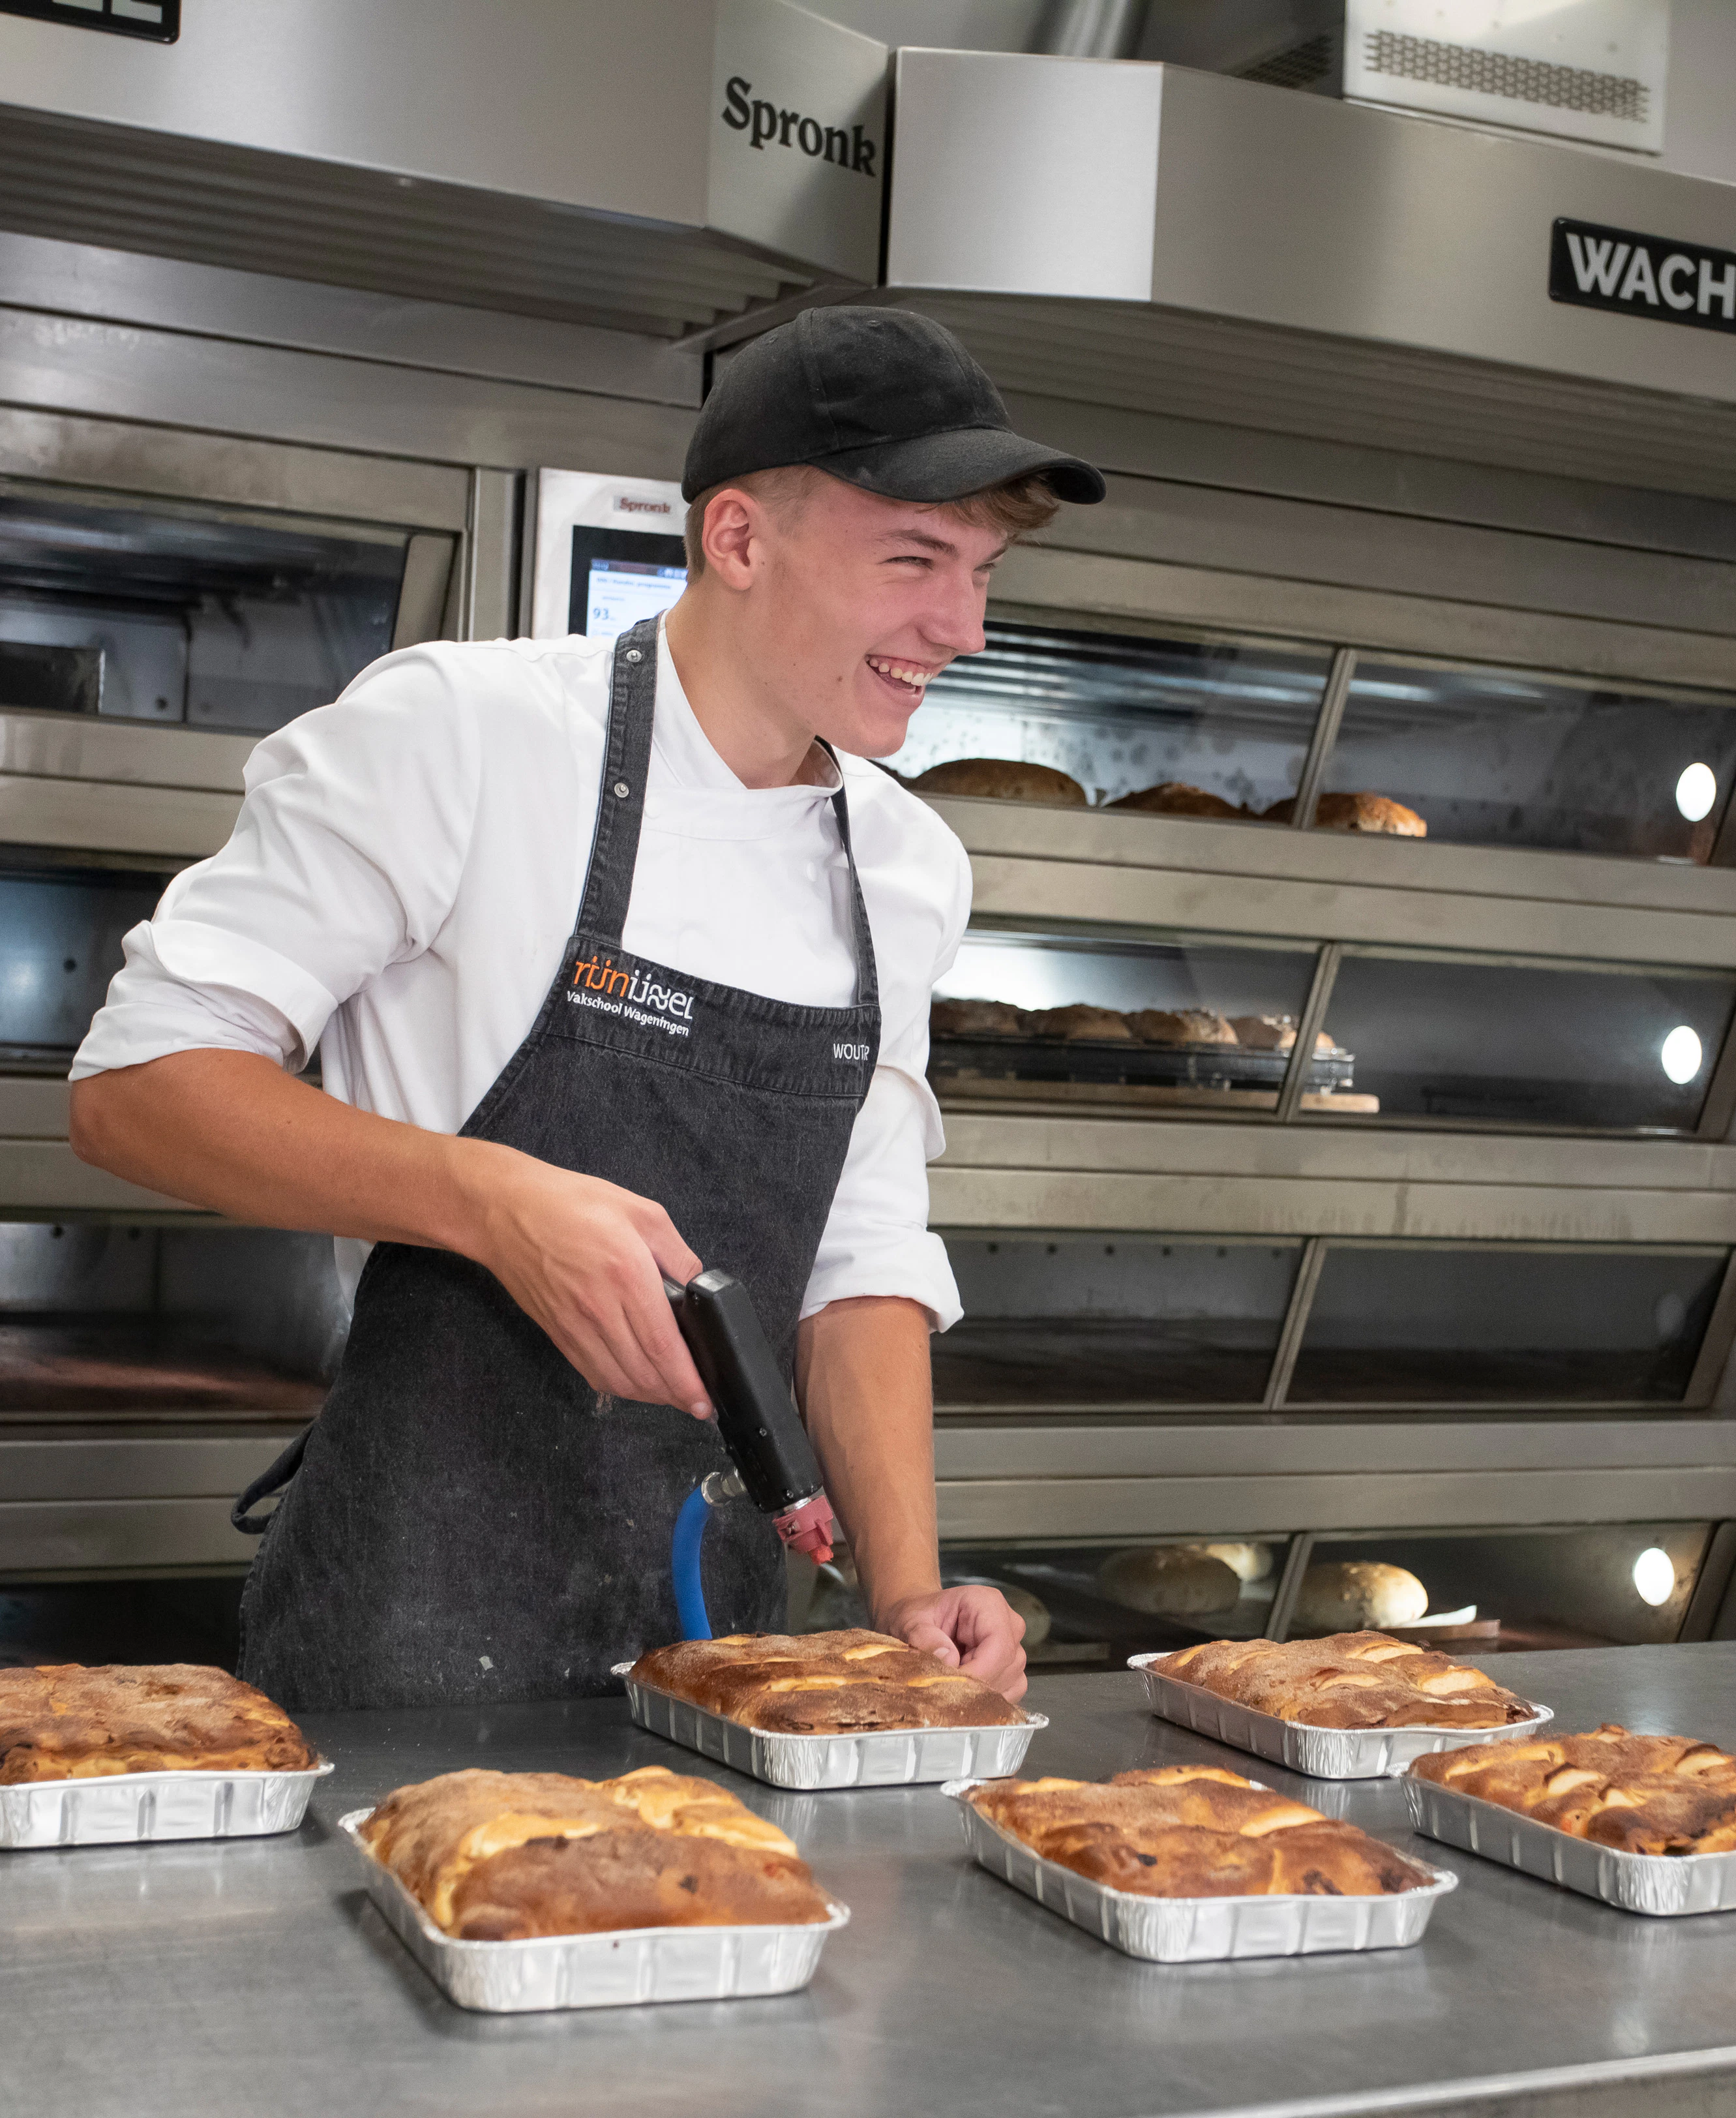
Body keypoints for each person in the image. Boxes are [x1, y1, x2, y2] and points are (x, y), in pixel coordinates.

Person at [67, 306, 1105, 1710]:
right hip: (409, 1624)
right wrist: (489, 1199)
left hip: (723, 1644)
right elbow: (139, 1085)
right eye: (913, 561)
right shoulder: (465, 734)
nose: (964, 627)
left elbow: (857, 1256)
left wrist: (907, 1588)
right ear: (737, 539)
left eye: (980, 572)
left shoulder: (907, 864)